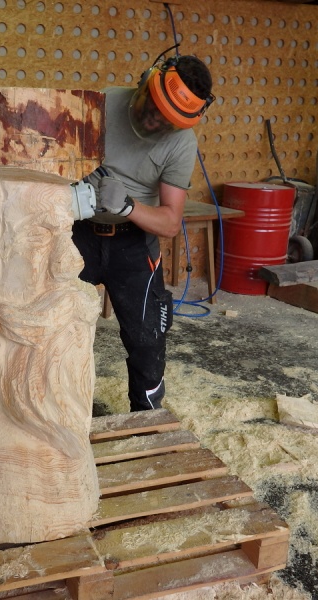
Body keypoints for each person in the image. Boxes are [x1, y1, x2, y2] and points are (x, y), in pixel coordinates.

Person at [73, 51, 214, 411]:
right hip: (81, 232)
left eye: (165, 122)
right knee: (58, 323)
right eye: (152, 108)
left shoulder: (182, 143)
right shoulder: (104, 102)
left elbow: (170, 222)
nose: (153, 121)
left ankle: (146, 418)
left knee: (147, 337)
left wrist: (128, 207)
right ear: (145, 82)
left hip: (133, 241)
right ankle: (61, 410)